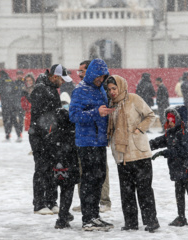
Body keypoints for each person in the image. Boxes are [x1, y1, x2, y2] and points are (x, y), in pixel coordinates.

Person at [104, 75, 160, 233]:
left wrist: (139, 129)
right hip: (122, 156)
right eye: (109, 90)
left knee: (144, 190)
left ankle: (151, 221)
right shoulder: (111, 105)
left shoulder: (134, 99)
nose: (112, 92)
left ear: (121, 86)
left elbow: (150, 115)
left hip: (139, 153)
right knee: (126, 192)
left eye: (114, 88)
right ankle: (131, 222)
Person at [69, 58, 114, 231]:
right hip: (86, 142)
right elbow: (73, 116)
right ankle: (87, 218)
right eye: (98, 76)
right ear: (92, 73)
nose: (101, 80)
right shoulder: (80, 91)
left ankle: (95, 215)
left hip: (100, 142)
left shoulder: (101, 90)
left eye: (103, 77)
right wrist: (96, 112)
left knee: (99, 178)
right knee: (88, 180)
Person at [29, 64, 72, 215]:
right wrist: (59, 115)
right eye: (62, 80)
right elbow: (43, 115)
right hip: (40, 136)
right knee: (42, 168)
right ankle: (39, 203)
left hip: (51, 135)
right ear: (55, 77)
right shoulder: (41, 89)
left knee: (53, 167)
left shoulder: (51, 88)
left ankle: (51, 201)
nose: (63, 83)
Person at [150, 105, 188, 228]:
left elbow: (181, 151)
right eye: (168, 119)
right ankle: (181, 217)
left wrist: (164, 153)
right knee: (179, 192)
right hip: (177, 168)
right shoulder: (170, 133)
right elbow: (158, 142)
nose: (170, 122)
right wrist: (146, 145)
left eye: (172, 119)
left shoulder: (185, 134)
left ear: (179, 120)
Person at [47, 108, 80, 229]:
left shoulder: (52, 135)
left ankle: (63, 214)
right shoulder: (72, 133)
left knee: (59, 190)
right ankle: (63, 216)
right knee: (67, 192)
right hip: (70, 168)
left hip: (55, 169)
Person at [0, 70, 22, 142]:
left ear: (0, 74)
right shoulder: (10, 80)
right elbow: (15, 91)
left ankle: (7, 136)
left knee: (6, 120)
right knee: (14, 120)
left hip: (5, 104)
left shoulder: (0, 80)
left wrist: (0, 89)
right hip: (12, 104)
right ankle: (19, 135)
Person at [14, 70, 26, 138]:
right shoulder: (14, 83)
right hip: (15, 103)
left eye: (20, 74)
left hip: (22, 104)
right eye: (18, 74)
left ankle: (20, 132)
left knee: (21, 119)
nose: (19, 76)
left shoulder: (24, 83)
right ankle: (17, 132)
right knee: (15, 119)